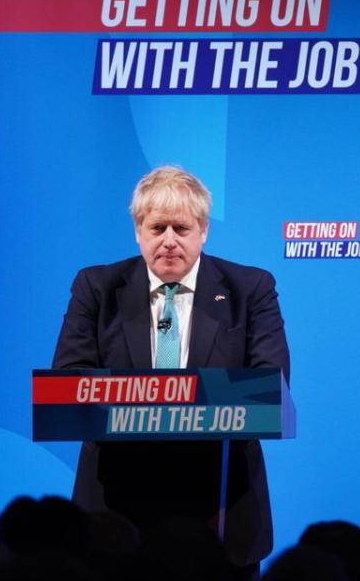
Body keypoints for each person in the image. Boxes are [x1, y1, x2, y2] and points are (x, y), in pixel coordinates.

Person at [52, 165, 290, 577]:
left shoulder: (249, 289)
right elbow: (72, 384)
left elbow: (270, 386)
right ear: (137, 231)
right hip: (116, 510)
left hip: (220, 507)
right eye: (156, 227)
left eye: (181, 228)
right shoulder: (96, 287)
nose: (168, 241)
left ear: (203, 231)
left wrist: (162, 401)